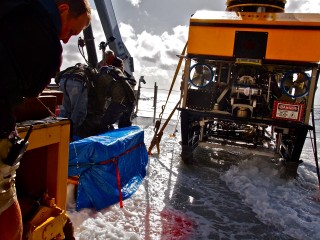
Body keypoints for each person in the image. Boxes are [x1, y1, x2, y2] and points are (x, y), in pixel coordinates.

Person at [0, 0, 91, 239]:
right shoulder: (50, 49)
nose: (66, 40)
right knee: (3, 194)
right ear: (62, 9)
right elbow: (30, 93)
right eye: (71, 31)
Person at [56, 64, 135, 139]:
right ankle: (70, 135)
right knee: (79, 112)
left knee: (66, 110)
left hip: (64, 79)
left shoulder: (101, 78)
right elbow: (100, 103)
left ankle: (59, 132)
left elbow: (100, 102)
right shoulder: (117, 75)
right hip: (130, 100)